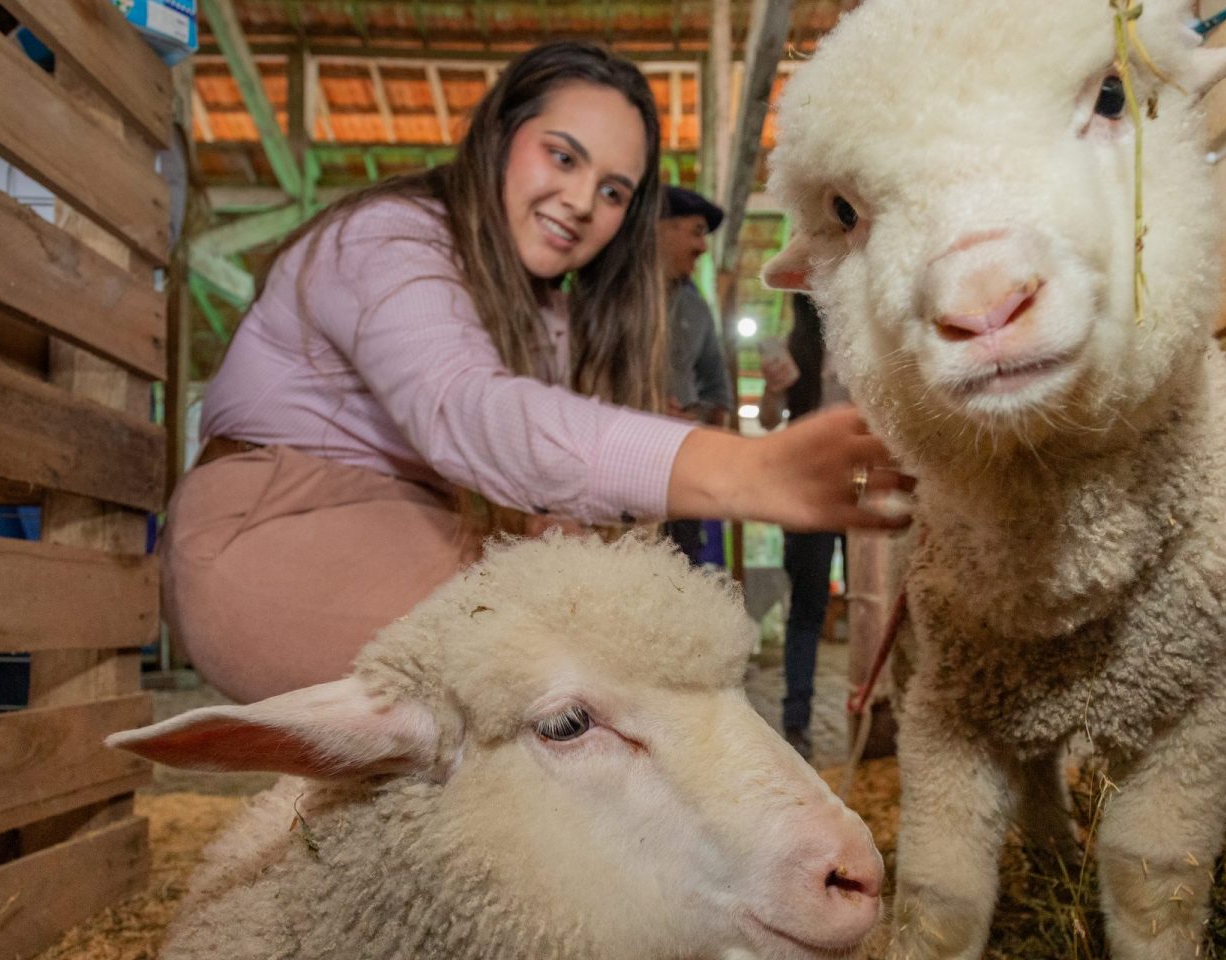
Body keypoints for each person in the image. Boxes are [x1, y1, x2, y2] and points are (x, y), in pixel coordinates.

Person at [167, 42, 909, 703]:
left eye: (615, 191)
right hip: (276, 528)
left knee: (625, 650)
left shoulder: (546, 311)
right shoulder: (387, 241)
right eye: (563, 156)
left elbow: (532, 459)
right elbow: (469, 411)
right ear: (498, 135)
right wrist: (748, 473)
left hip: (436, 523)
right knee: (566, 674)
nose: (583, 202)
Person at [758, 294, 849, 758]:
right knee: (807, 611)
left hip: (865, 482)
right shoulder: (796, 347)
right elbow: (769, 419)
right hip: (811, 488)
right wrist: (773, 390)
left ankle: (876, 709)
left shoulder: (865, 335)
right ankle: (797, 722)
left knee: (878, 601)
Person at [657, 186, 733, 564]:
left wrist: (694, 419)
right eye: (696, 231)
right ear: (659, 229)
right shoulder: (598, 295)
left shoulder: (696, 307)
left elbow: (718, 392)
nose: (702, 247)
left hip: (676, 476)